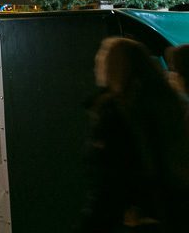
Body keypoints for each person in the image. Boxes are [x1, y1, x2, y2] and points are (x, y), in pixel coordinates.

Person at [81, 37, 189, 233]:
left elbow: (110, 180)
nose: (98, 60)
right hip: (168, 215)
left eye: (104, 55)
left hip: (135, 218)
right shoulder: (167, 104)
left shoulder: (113, 111)